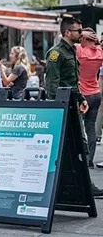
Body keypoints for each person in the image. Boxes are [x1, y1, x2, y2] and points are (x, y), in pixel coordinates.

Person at [45, 17, 103, 196]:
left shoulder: (72, 51)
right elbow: (52, 86)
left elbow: (73, 81)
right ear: (67, 32)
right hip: (64, 108)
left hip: (73, 105)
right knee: (67, 147)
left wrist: (81, 98)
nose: (81, 34)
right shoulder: (56, 53)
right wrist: (58, 109)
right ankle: (59, 187)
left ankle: (83, 185)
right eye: (78, 31)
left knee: (80, 145)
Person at [76, 28, 103, 168]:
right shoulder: (99, 53)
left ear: (85, 39)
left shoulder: (80, 51)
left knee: (79, 128)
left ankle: (82, 157)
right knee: (91, 127)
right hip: (96, 94)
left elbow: (70, 42)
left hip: (83, 95)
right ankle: (90, 160)